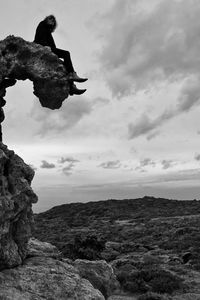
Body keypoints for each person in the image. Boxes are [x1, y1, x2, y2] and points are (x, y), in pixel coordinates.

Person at [34, 15, 87, 95]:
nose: (51, 21)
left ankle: (71, 86)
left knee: (65, 64)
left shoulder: (48, 31)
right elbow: (39, 37)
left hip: (49, 49)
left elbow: (53, 45)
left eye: (53, 20)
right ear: (46, 19)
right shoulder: (42, 24)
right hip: (42, 48)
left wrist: (55, 55)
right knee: (66, 53)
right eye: (50, 19)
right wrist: (45, 47)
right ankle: (72, 74)